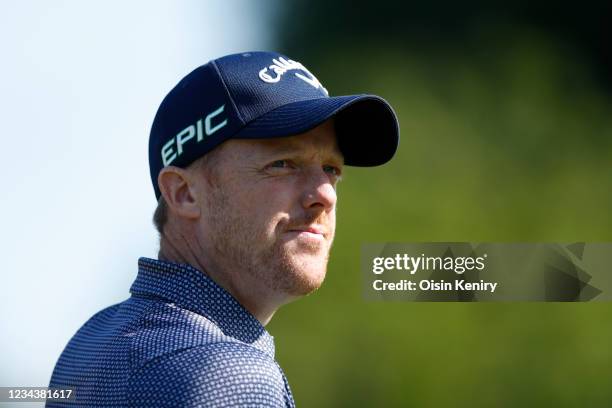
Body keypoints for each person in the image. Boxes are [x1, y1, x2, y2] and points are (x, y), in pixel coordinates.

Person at [46, 51, 399, 407]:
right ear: (184, 193)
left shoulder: (89, 345)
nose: (324, 194)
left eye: (331, 169)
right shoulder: (230, 377)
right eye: (282, 164)